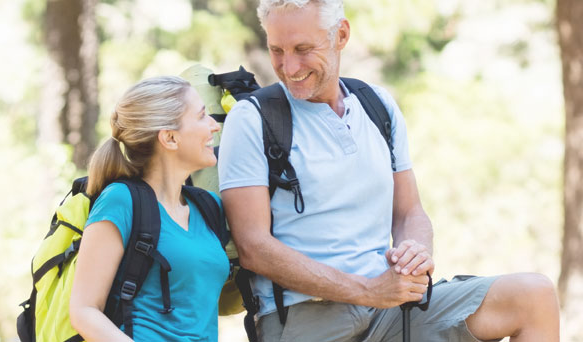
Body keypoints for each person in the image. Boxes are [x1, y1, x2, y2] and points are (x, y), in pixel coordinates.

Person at [217, 1, 560, 341]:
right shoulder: (252, 119)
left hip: (391, 310)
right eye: (277, 50)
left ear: (341, 34)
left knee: (533, 297)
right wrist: (366, 290)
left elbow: (409, 212)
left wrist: (415, 251)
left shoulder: (376, 105)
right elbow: (254, 247)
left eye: (303, 49)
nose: (289, 67)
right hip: (308, 319)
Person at [70, 76, 227, 341]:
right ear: (170, 138)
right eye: (202, 117)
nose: (213, 126)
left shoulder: (208, 207)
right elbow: (84, 310)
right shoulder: (120, 200)